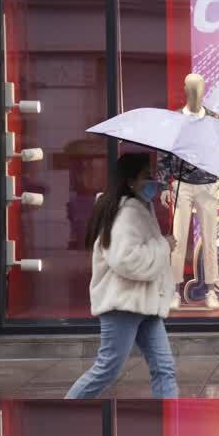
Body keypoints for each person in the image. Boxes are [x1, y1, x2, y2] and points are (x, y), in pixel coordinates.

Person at [65, 153, 180, 399]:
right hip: (123, 305)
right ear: (130, 181)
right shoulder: (127, 213)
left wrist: (161, 244)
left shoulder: (137, 209)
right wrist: (163, 246)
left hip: (142, 303)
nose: (152, 182)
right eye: (146, 177)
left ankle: (171, 421)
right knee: (106, 369)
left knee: (164, 368)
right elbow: (125, 259)